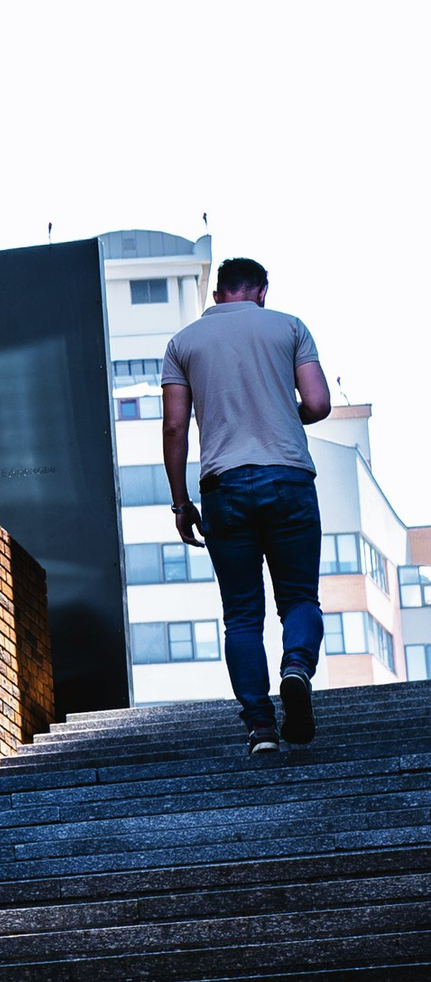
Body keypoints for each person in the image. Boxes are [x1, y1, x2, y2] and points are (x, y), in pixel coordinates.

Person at [163, 255, 331, 756]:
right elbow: (319, 404)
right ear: (261, 291)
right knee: (299, 598)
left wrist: (180, 503)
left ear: (217, 296)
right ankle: (296, 667)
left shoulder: (183, 343)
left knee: (240, 615)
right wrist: (285, 412)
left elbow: (174, 428)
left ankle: (260, 729)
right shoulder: (289, 327)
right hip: (288, 478)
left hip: (224, 489)